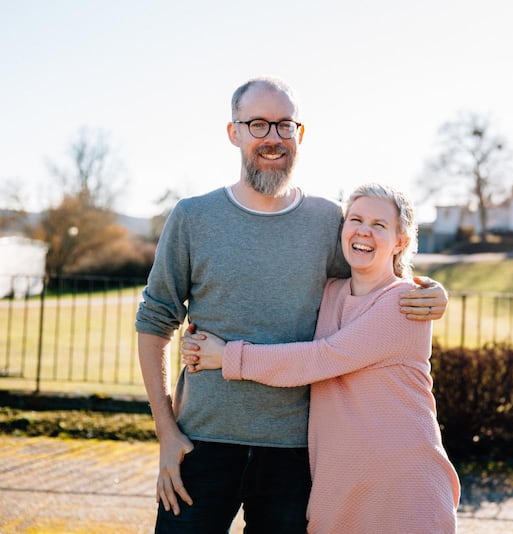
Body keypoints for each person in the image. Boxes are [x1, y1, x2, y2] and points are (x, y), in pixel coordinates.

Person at [135, 77, 448, 534]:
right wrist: (166, 432)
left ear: (299, 134)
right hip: (201, 441)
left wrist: (432, 290)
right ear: (234, 132)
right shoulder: (192, 217)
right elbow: (155, 319)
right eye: (257, 124)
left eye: (284, 126)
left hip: (294, 455)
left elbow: (378, 269)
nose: (272, 138)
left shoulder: (327, 220)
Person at [181, 183, 460, 533]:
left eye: (379, 225)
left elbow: (321, 358)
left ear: (400, 241)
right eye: (356, 219)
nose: (364, 231)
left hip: (402, 488)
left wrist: (226, 356)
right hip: (339, 490)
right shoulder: (330, 292)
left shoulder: (404, 302)